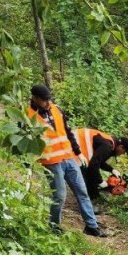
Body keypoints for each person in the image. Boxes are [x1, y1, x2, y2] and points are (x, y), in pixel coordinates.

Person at [27, 84, 109, 237]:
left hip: (69, 158)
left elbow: (68, 132)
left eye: (48, 100)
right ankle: (54, 226)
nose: (47, 103)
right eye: (44, 101)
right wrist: (27, 164)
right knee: (59, 196)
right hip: (51, 161)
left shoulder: (56, 109)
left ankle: (91, 226)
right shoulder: (27, 115)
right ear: (35, 98)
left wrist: (78, 152)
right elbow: (24, 142)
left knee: (82, 191)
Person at [74, 127, 128, 201]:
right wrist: (100, 181)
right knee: (89, 175)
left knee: (90, 174)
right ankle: (91, 201)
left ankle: (92, 199)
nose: (122, 154)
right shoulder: (107, 146)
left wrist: (112, 170)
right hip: (74, 146)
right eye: (124, 152)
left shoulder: (110, 143)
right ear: (121, 147)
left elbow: (99, 161)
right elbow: (94, 164)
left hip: (75, 144)